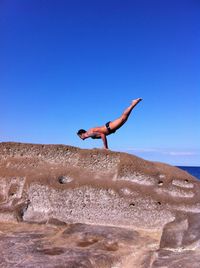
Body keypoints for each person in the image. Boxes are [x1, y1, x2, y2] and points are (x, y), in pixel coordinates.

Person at [77, 98, 142, 149]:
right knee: (125, 119)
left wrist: (105, 147)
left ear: (82, 134)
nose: (80, 138)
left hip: (109, 127)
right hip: (110, 129)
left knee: (123, 118)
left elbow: (102, 134)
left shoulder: (89, 133)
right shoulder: (91, 136)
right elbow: (102, 134)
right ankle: (133, 104)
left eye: (79, 136)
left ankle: (133, 104)